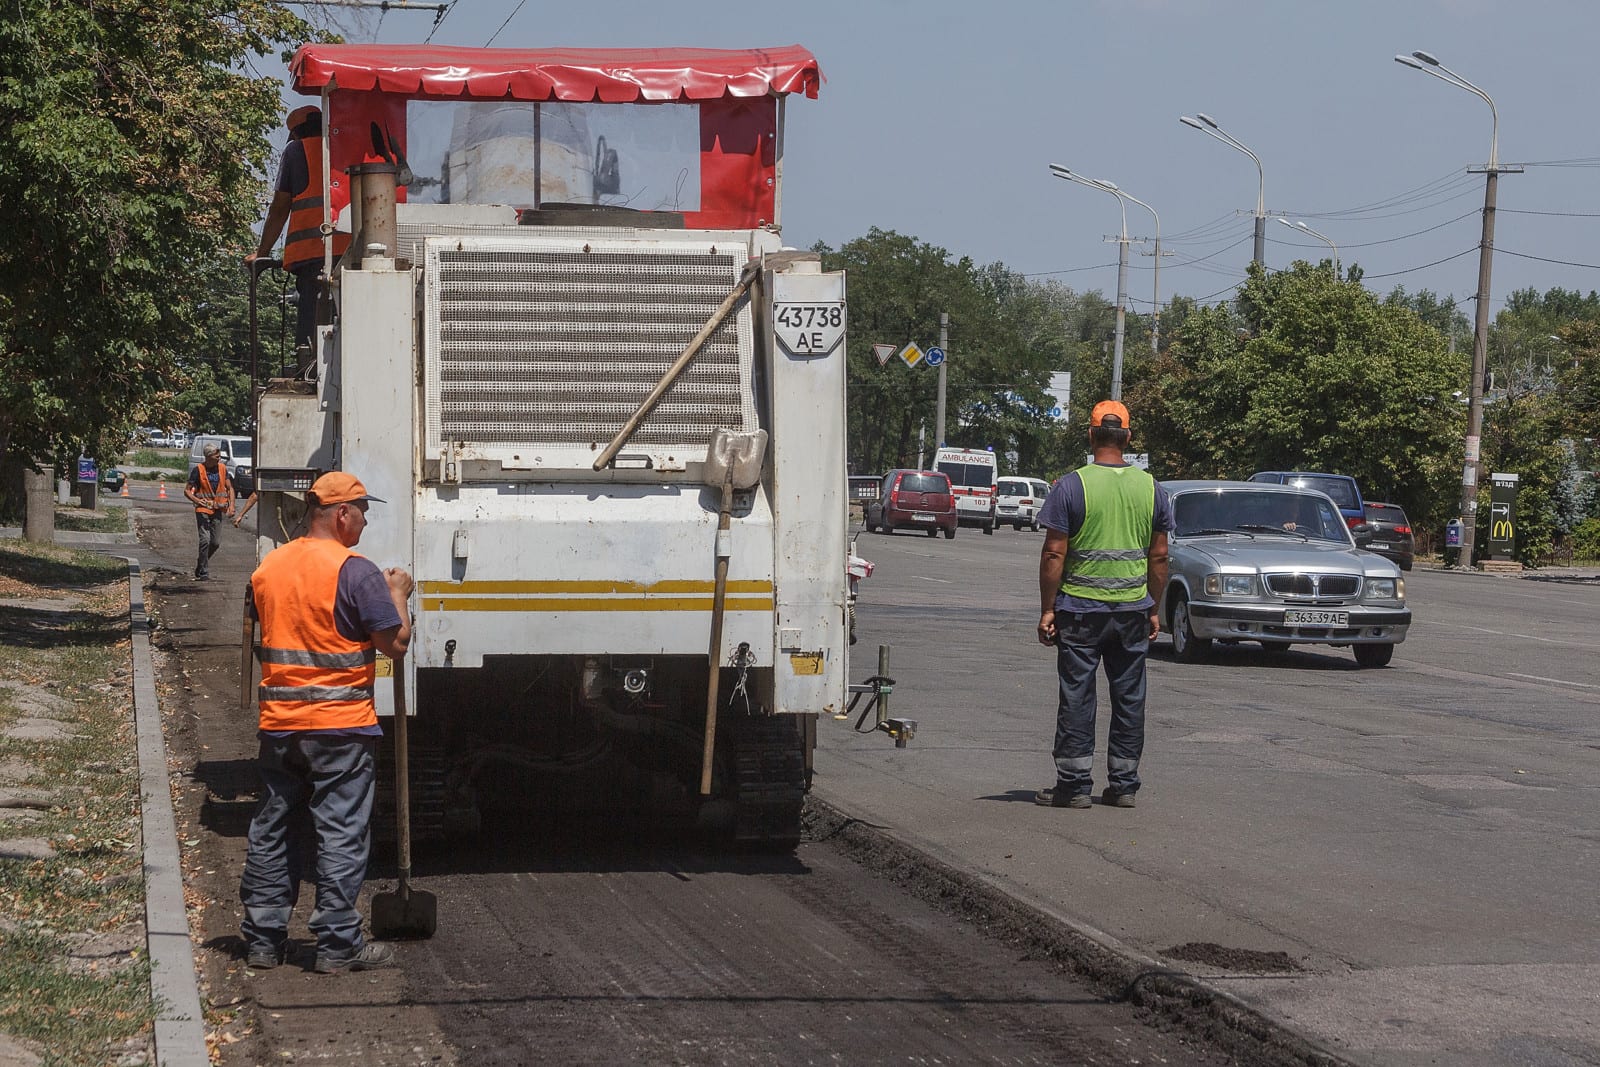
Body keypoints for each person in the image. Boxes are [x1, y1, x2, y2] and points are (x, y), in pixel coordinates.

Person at [239, 471, 413, 974]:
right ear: (341, 514)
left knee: (274, 828)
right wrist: (398, 592)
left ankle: (263, 941)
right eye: (363, 510)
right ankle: (338, 945)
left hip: (280, 724)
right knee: (339, 832)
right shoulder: (356, 572)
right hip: (340, 726)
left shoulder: (269, 567)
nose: (365, 520)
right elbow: (394, 645)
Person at [1034, 400, 1173, 809]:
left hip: (1079, 612)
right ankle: (1124, 784)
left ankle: (1075, 786)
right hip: (1131, 612)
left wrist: (1047, 609)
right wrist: (1153, 608)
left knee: (1078, 695)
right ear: (1128, 438)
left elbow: (1054, 554)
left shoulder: (1071, 486)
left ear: (1091, 435)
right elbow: (1160, 557)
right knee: (1129, 697)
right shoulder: (1151, 488)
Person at [246, 105, 352, 373]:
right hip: (351, 249)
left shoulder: (296, 151)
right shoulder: (344, 148)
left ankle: (311, 367)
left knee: (313, 308)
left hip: (312, 251)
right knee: (347, 310)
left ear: (296, 132)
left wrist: (262, 252)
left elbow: (280, 207)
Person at [184, 445, 236, 580]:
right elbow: (187, 491)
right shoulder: (198, 470)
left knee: (215, 542)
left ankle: (201, 562)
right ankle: (204, 572)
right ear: (208, 457)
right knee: (205, 540)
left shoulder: (223, 469)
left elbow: (230, 488)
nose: (219, 458)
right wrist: (197, 500)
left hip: (218, 509)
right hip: (203, 509)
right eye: (216, 456)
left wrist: (232, 506)